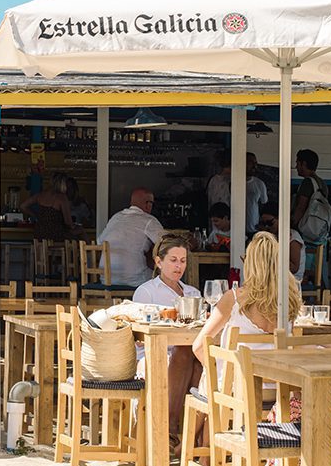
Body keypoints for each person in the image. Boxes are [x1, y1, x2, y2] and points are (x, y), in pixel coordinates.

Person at [134, 235, 204, 445]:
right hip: (153, 352)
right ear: (159, 262)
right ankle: (177, 430)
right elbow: (138, 334)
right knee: (187, 354)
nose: (178, 266)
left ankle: (187, 434)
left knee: (199, 362)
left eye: (182, 261)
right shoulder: (146, 292)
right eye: (173, 260)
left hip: (188, 353)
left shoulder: (193, 293)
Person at [193, 231, 302, 360]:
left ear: (250, 263)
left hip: (238, 378)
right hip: (277, 378)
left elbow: (198, 347)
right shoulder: (290, 300)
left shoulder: (234, 298)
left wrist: (215, 374)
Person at [97, 187, 165, 286]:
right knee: (163, 276)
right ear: (147, 204)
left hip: (106, 279)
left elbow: (100, 242)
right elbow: (168, 242)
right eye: (152, 203)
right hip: (134, 280)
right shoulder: (148, 220)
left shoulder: (116, 217)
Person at [207, 151, 269, 237]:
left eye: (255, 163)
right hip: (228, 230)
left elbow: (264, 206)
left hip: (251, 229)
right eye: (250, 162)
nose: (254, 166)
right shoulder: (220, 181)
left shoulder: (259, 184)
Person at [19, 172, 73, 240]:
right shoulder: (62, 198)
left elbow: (23, 206)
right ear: (63, 184)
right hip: (55, 235)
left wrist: (36, 216)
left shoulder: (41, 195)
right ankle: (87, 249)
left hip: (39, 235)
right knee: (81, 232)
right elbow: (68, 223)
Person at [257, 207, 305, 282]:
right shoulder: (273, 236)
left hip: (291, 281)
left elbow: (294, 268)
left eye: (270, 223)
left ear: (280, 219)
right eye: (264, 223)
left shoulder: (293, 237)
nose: (267, 227)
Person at [291, 148, 328, 232]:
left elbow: (301, 207)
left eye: (297, 163)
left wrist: (292, 226)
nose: (296, 166)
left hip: (305, 230)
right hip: (317, 230)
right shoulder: (322, 183)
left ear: (304, 164)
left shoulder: (307, 182)